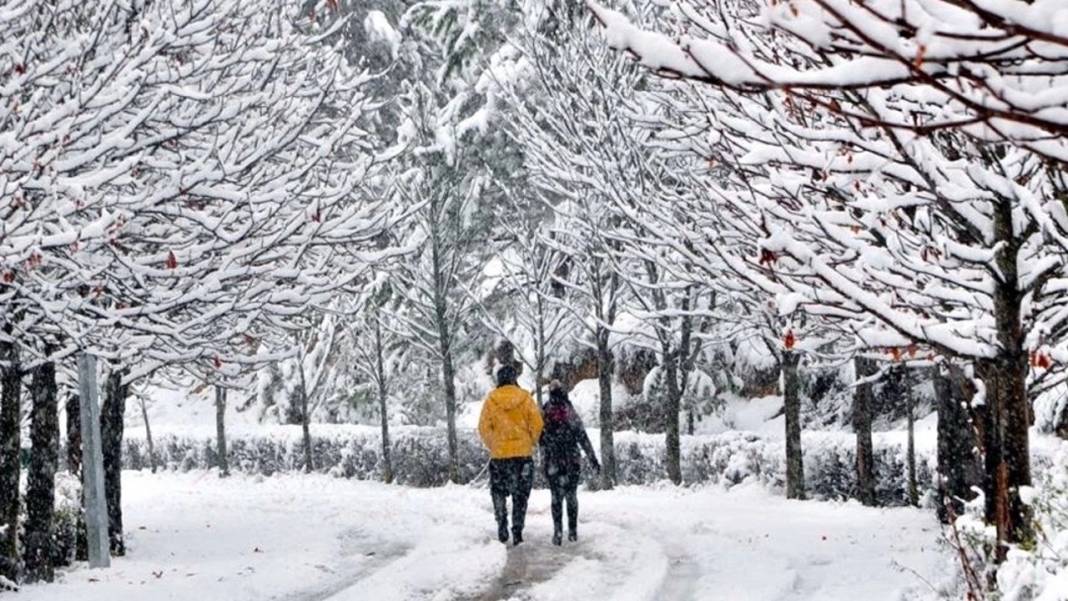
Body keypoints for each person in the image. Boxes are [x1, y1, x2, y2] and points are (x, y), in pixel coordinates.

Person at [478, 365, 543, 546]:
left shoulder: (491, 399)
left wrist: (495, 444)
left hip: (499, 457)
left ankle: (501, 523)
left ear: (499, 380)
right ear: (514, 378)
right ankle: (517, 529)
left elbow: (483, 427)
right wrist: (529, 441)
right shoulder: (525, 398)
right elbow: (537, 424)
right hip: (522, 456)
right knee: (520, 495)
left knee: (498, 491)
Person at [540, 380, 600, 546]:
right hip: (571, 460)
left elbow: (540, 439)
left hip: (553, 461)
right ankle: (572, 531)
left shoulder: (546, 411)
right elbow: (582, 436)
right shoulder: (569, 410)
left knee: (555, 498)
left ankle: (557, 532)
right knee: (571, 496)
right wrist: (592, 458)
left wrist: (544, 459)